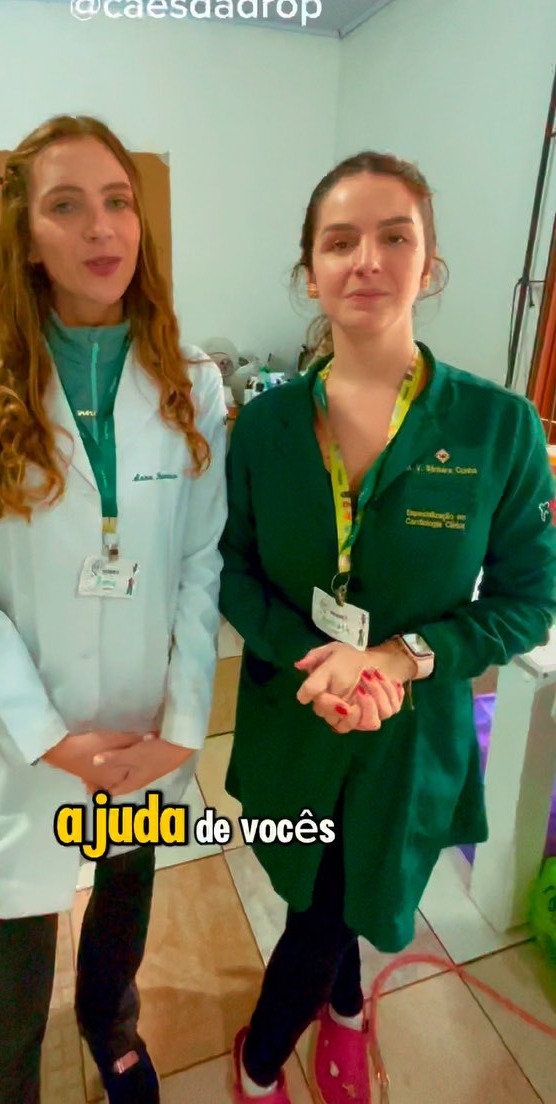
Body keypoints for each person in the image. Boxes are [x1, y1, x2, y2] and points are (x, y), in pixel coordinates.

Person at [219, 152, 556, 1104]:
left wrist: (400, 659)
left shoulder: (498, 427)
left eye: (394, 236)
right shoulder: (267, 428)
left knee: (346, 899)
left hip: (409, 730)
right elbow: (232, 570)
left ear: (429, 263)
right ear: (310, 272)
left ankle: (264, 1057)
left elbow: (529, 599)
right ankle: (340, 1008)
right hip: (297, 716)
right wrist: (315, 661)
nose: (367, 258)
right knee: (315, 887)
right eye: (340, 241)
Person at [0, 114, 227, 1104]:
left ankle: (111, 1026)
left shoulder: (192, 382)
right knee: (9, 990)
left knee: (122, 907)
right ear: (26, 237)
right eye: (67, 205)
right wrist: (50, 738)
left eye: (118, 201)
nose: (102, 228)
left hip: (142, 727)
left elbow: (201, 562)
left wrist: (182, 726)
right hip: (25, 739)